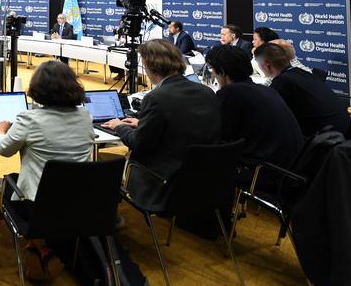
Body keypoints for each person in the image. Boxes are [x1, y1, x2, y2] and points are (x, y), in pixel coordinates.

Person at [0, 60, 94, 278]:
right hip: (78, 201)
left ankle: (38, 244)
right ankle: (43, 246)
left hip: (39, 206)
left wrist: (1, 131)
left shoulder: (29, 118)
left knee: (8, 185)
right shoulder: (86, 116)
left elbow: (3, 149)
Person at [102, 39, 221, 211]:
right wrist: (143, 123)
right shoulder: (206, 92)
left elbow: (139, 144)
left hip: (163, 179)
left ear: (152, 67)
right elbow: (184, 124)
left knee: (106, 170)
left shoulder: (156, 97)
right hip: (201, 176)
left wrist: (119, 126)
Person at [205, 45, 303, 186]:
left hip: (264, 173)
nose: (213, 74)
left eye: (212, 69)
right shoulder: (266, 89)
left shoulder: (231, 93)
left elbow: (221, 137)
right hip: (290, 170)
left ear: (222, 71)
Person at [254, 42, 349, 138]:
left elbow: (270, 117)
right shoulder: (303, 73)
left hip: (325, 139)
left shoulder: (282, 82)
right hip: (341, 131)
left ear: (266, 65)